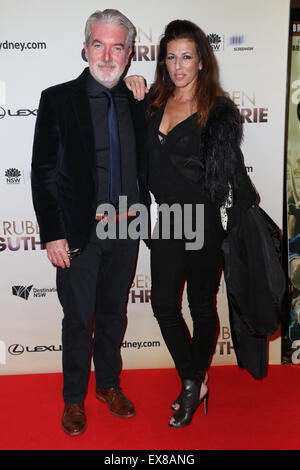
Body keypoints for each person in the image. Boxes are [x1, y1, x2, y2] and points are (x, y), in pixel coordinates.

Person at [125, 19, 257, 428]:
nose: (178, 65)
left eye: (186, 56)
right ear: (163, 61)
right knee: (164, 304)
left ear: (201, 60)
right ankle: (194, 380)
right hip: (166, 221)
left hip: (203, 222)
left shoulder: (218, 111)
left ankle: (190, 385)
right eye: (171, 57)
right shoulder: (151, 101)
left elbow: (227, 177)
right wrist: (127, 83)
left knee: (201, 306)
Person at [31, 9, 149, 436]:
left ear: (130, 54)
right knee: (78, 318)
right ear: (85, 48)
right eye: (98, 44)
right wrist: (52, 233)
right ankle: (73, 399)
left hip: (127, 226)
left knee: (114, 313)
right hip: (80, 230)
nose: (107, 54)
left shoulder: (140, 100)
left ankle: (109, 385)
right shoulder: (57, 99)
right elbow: (43, 171)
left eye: (117, 46)